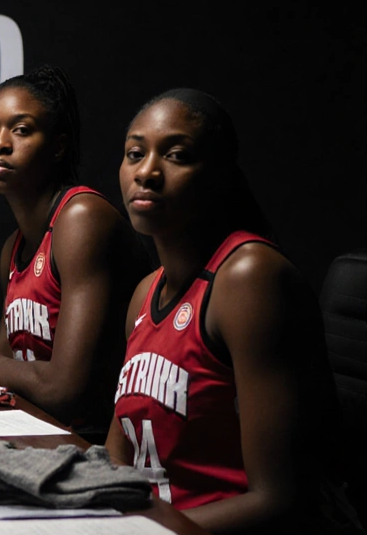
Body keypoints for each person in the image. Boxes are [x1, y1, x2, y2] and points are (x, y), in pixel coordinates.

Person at [106, 89, 343, 533]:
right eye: (134, 153)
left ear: (218, 175)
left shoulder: (249, 278)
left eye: (176, 156)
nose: (147, 172)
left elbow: (280, 499)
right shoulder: (144, 294)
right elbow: (117, 459)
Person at [0, 66, 145, 438]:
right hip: (37, 439)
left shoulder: (82, 218)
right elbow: (3, 373)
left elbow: (64, 390)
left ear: (58, 145)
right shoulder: (12, 249)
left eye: (21, 129)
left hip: (95, 448)